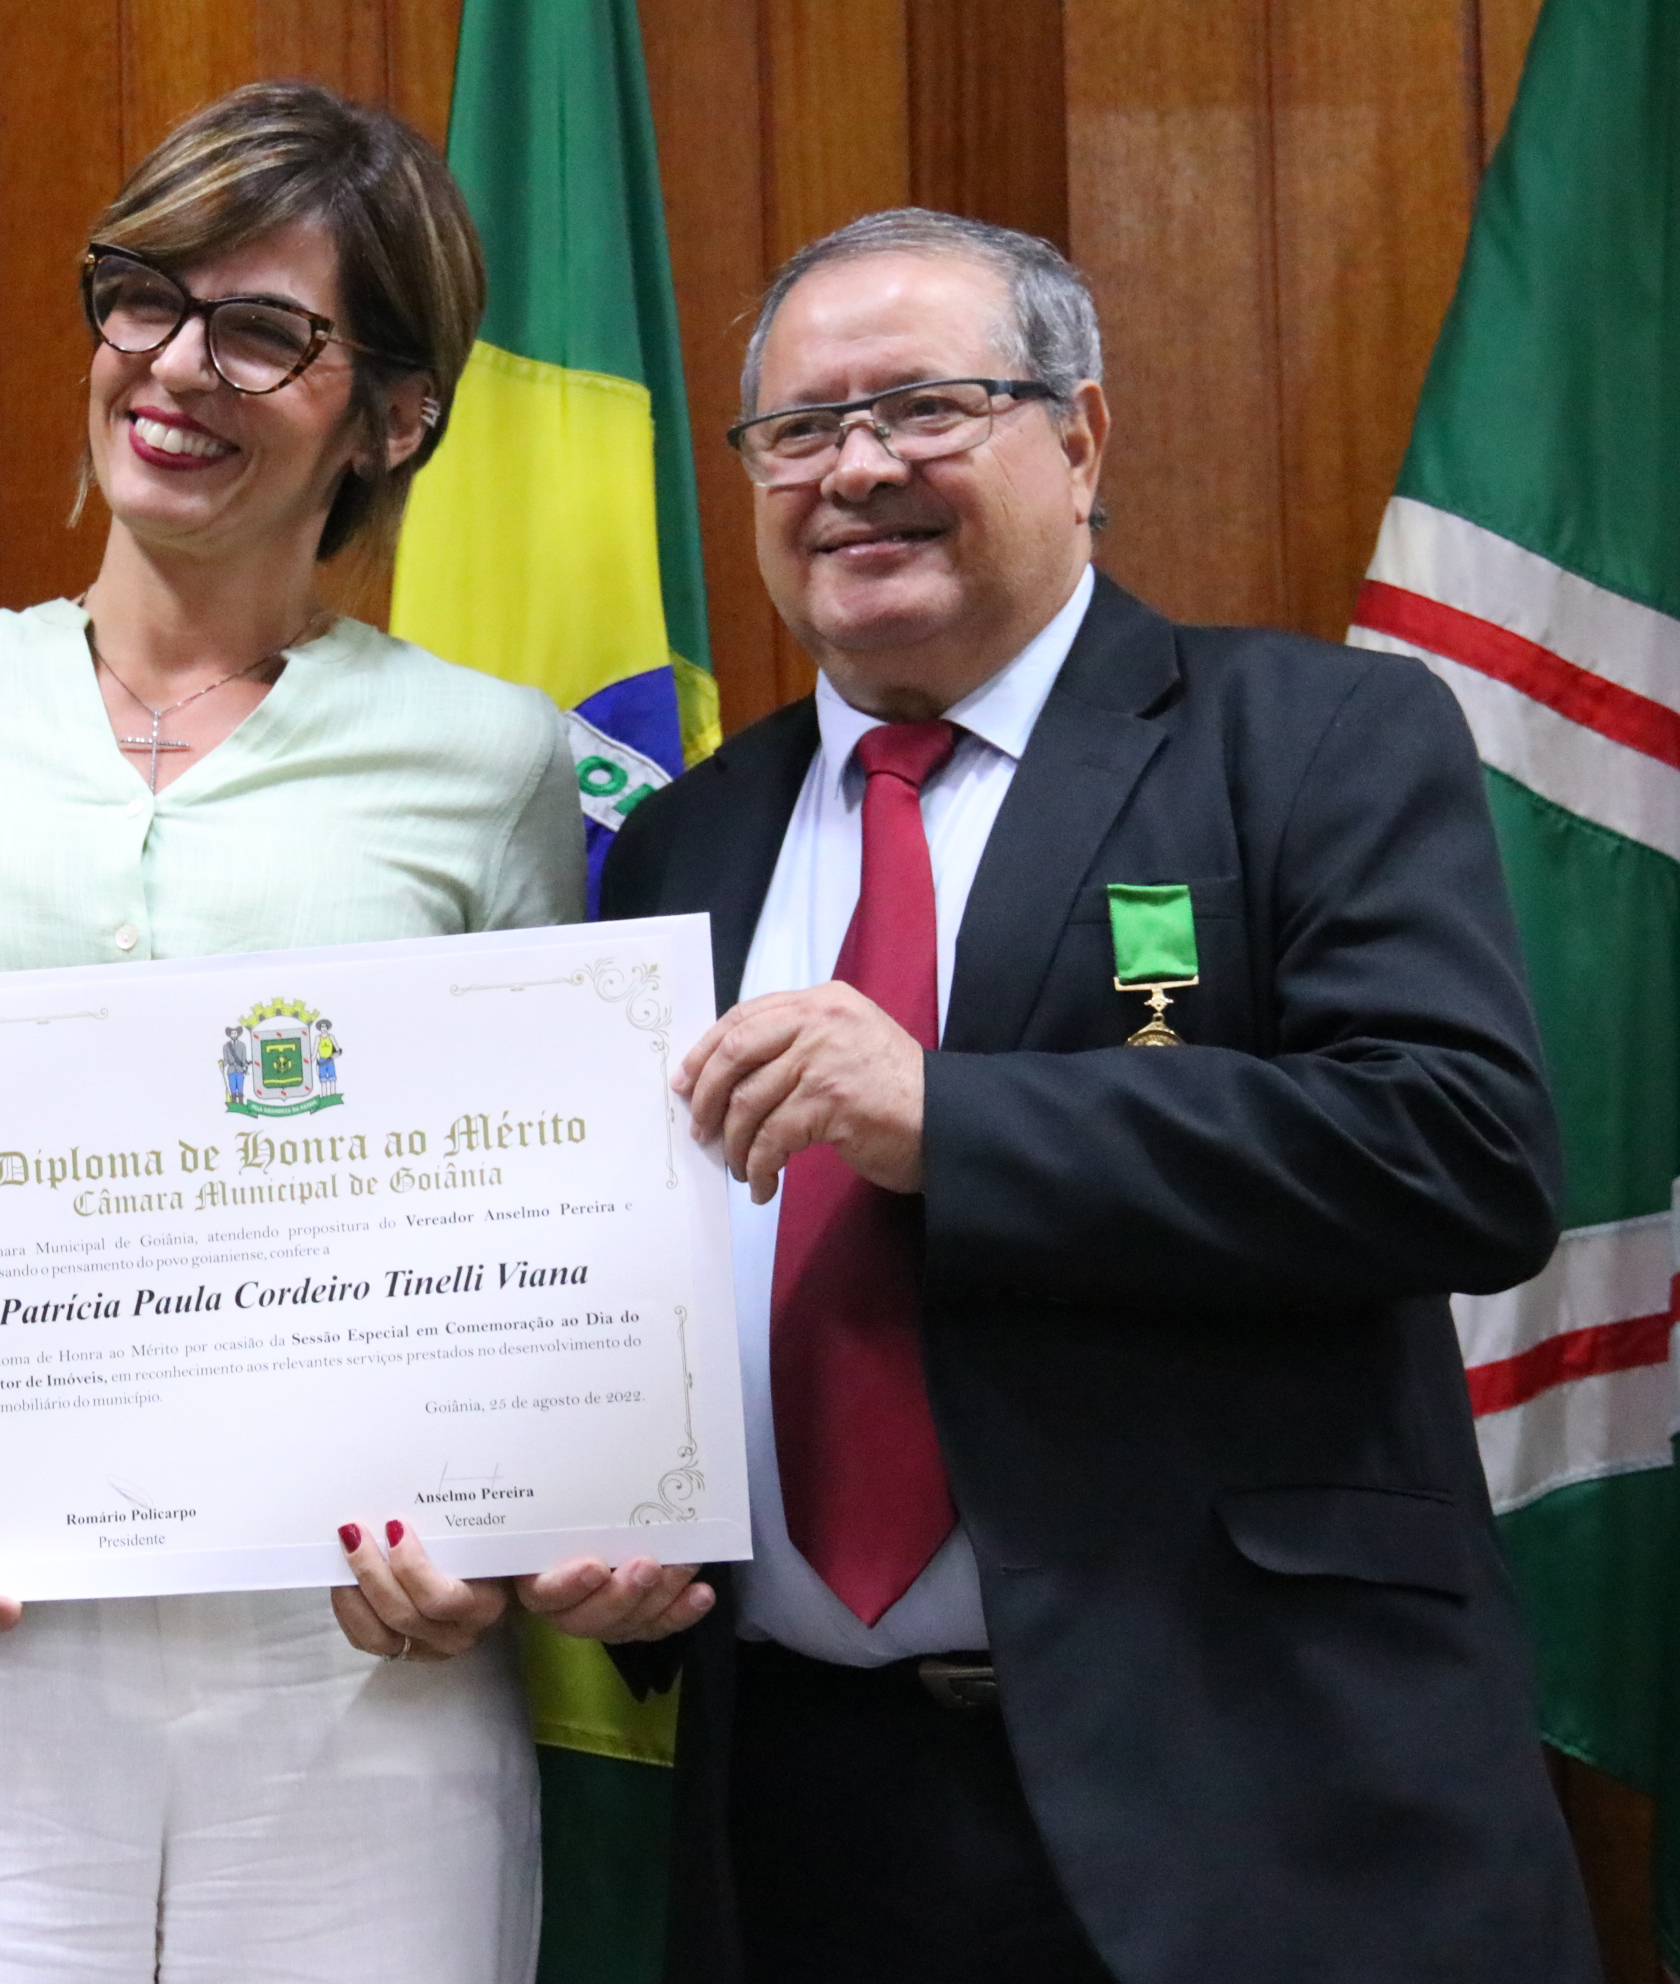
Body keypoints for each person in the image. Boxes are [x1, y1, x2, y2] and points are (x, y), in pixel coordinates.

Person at [588, 208, 1601, 1983]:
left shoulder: (1311, 738)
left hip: (1255, 1799)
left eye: (926, 408)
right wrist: (620, 1559)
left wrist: (953, 1121)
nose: (857, 470)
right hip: (805, 1815)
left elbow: (1462, 1151)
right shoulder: (688, 841)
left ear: (1081, 438)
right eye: (801, 429)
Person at [0, 81, 618, 1984]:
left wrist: (502, 1537)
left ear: (397, 412)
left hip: (347, 1619)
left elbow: (550, 1219)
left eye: (265, 330)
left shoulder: (495, 755)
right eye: (144, 297)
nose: (177, 367)